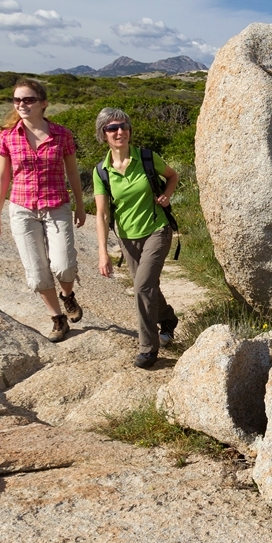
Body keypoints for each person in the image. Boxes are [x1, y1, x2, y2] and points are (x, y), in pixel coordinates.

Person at [0, 79, 85, 342]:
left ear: (43, 103)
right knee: (37, 270)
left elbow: (73, 172)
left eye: (28, 99)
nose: (22, 104)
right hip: (22, 209)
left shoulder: (62, 134)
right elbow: (1, 178)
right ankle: (57, 318)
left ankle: (68, 295)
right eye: (17, 100)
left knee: (64, 266)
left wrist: (80, 204)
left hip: (56, 206)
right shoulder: (6, 136)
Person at [92, 107, 179, 368]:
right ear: (103, 134)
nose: (120, 132)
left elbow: (172, 176)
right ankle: (168, 318)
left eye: (124, 126)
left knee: (142, 287)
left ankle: (147, 348)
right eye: (112, 128)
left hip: (157, 230)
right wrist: (103, 252)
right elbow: (101, 214)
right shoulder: (102, 171)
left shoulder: (147, 157)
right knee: (147, 287)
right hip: (127, 238)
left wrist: (167, 195)